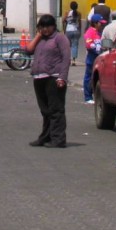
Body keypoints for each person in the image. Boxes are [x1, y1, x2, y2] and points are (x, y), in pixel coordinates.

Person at [24, 14, 70, 148]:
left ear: (53, 26)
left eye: (47, 27)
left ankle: (58, 139)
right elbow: (28, 50)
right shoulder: (41, 39)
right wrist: (38, 36)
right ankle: (45, 137)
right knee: (45, 110)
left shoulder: (59, 38)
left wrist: (62, 77)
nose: (45, 29)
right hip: (39, 78)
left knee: (56, 110)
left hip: (53, 77)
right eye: (42, 27)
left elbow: (66, 58)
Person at [83, 13, 107, 104]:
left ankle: (97, 95)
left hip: (99, 58)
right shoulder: (90, 32)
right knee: (89, 77)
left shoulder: (100, 32)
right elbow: (88, 45)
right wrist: (96, 48)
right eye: (100, 23)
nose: (102, 25)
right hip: (92, 58)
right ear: (95, 23)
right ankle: (88, 97)